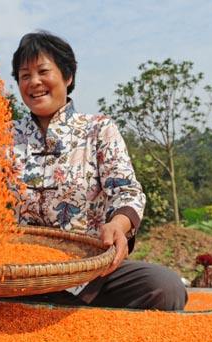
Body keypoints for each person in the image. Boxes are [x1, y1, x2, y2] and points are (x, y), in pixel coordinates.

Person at [10, 31, 187, 310]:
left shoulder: (98, 129)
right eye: (24, 76)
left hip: (87, 274)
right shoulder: (4, 135)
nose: (34, 82)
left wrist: (118, 225)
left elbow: (126, 191)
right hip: (14, 275)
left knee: (164, 287)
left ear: (67, 77)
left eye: (43, 71)